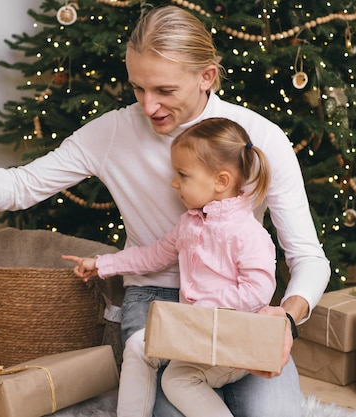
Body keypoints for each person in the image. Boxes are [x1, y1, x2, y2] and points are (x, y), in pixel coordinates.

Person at [0, 5, 330, 417]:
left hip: (238, 306)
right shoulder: (112, 132)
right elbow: (23, 184)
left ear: (207, 76)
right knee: (175, 405)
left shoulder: (259, 138)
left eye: (165, 89)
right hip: (154, 298)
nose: (149, 106)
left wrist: (286, 315)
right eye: (137, 87)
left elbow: (307, 255)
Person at [62, 117, 277, 417]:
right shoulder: (189, 223)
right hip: (196, 333)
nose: (174, 183)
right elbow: (153, 255)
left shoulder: (248, 233)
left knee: (172, 373)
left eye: (183, 175)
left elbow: (258, 292)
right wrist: (102, 264)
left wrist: (200, 309)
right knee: (153, 360)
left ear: (221, 181)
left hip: (231, 341)